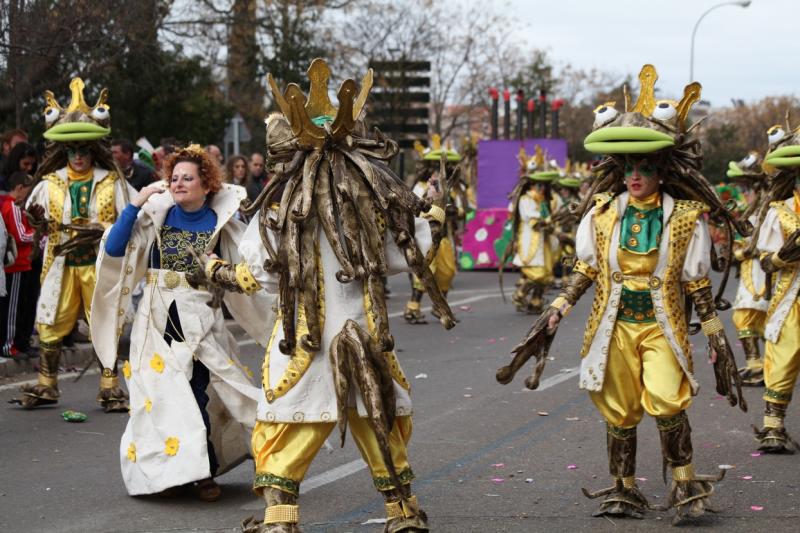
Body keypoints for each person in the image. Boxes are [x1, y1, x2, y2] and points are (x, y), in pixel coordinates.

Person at [198, 59, 452, 532]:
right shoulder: (373, 203)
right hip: (364, 335)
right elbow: (411, 252)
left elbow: (258, 276)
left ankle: (280, 520)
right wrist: (435, 216)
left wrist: (216, 270)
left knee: (290, 424)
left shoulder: (281, 209)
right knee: (376, 423)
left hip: (304, 343)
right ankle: (402, 513)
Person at [500, 65, 747, 524]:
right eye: (629, 168)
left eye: (645, 167)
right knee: (618, 405)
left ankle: (684, 483)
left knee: (666, 397)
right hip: (612, 324)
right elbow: (586, 268)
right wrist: (558, 307)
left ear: (661, 169)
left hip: (661, 325)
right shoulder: (601, 213)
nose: (636, 176)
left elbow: (697, 283)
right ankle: (624, 487)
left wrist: (714, 334)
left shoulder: (686, 217)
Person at [91, 144, 271, 500]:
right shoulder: (154, 215)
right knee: (162, 397)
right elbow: (114, 249)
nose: (178, 183)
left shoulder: (224, 224)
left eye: (188, 178)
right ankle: (183, 472)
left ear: (206, 184)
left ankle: (214, 469)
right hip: (157, 324)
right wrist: (136, 202)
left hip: (201, 321)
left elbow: (249, 269)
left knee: (199, 392)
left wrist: (218, 271)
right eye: (174, 177)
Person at [13, 77, 135, 412]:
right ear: (64, 151)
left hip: (99, 264)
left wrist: (106, 232)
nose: (78, 156)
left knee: (104, 321)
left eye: (83, 150)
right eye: (72, 150)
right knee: (51, 320)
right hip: (61, 263)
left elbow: (132, 220)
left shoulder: (112, 183)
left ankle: (110, 386)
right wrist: (38, 221)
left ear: (92, 150)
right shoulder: (49, 184)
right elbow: (36, 226)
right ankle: (47, 384)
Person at [749, 122, 800, 452]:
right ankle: (773, 425)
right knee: (783, 354)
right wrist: (783, 257)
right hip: (791, 296)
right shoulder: (779, 212)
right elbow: (764, 260)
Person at [404, 140, 462, 324]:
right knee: (425, 272)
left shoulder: (448, 188)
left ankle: (439, 307)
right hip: (426, 237)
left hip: (444, 238)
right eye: (436, 167)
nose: (439, 170)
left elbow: (459, 211)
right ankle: (413, 308)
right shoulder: (420, 187)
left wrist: (452, 210)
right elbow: (417, 210)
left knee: (447, 272)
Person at [499, 146, 562, 314]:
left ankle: (536, 301)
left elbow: (548, 217)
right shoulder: (525, 199)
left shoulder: (544, 201)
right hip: (530, 242)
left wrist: (551, 223)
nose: (542, 188)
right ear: (532, 184)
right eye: (539, 185)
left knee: (545, 276)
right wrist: (546, 223)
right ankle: (520, 294)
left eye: (543, 185)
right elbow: (532, 220)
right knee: (537, 274)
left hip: (545, 242)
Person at [726, 152, 769, 387]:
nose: (743, 194)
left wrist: (740, 252)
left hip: (761, 271)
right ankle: (757, 365)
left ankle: (760, 366)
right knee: (753, 319)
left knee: (746, 316)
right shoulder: (751, 211)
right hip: (750, 271)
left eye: (746, 189)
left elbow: (763, 243)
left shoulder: (768, 209)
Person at [0, 172, 40, 360]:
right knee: (13, 308)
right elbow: (20, 235)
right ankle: (9, 345)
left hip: (21, 264)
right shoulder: (13, 207)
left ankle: (17, 343)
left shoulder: (14, 206)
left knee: (19, 307)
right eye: (28, 189)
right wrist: (39, 236)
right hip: (17, 264)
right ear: (19, 188)